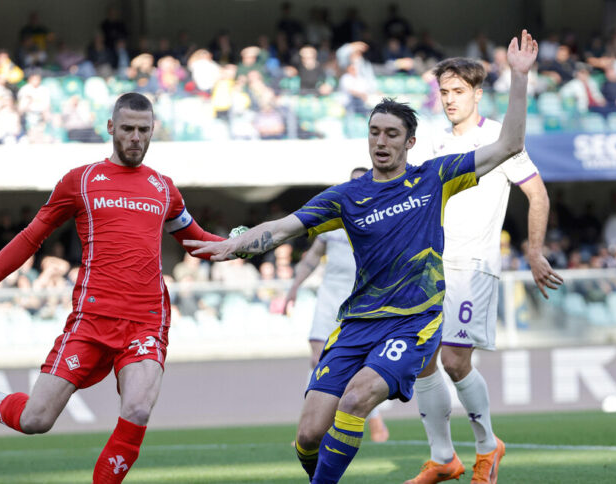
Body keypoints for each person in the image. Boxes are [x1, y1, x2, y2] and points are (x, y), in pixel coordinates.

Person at [185, 30, 540, 484]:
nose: (381, 141)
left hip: (414, 318)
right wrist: (235, 243)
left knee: (357, 398)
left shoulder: (435, 177)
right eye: (374, 132)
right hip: (357, 322)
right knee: (310, 434)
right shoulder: (346, 197)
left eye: (392, 134)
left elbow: (509, 144)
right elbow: (284, 227)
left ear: (410, 143)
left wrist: (519, 78)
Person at [0, 93, 225, 483]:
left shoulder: (164, 188)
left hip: (146, 322)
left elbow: (197, 242)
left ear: (153, 131)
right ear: (111, 128)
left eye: (144, 130)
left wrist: (239, 244)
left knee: (137, 409)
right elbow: (29, 237)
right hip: (90, 321)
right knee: (36, 419)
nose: (136, 137)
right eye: (127, 129)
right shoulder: (81, 181)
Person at [405, 57, 562, 484]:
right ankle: (442, 458)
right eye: (444, 92)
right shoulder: (431, 143)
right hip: (429, 269)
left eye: (458, 92)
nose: (450, 100)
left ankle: (488, 447)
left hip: (473, 265)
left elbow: (538, 195)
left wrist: (534, 252)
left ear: (477, 93)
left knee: (455, 361)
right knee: (422, 362)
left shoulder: (498, 138)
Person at [284, 166, 389, 443]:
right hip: (330, 297)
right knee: (318, 359)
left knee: (359, 366)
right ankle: (314, 426)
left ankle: (372, 419)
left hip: (361, 300)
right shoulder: (333, 221)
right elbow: (312, 257)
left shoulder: (381, 220)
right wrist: (293, 288)